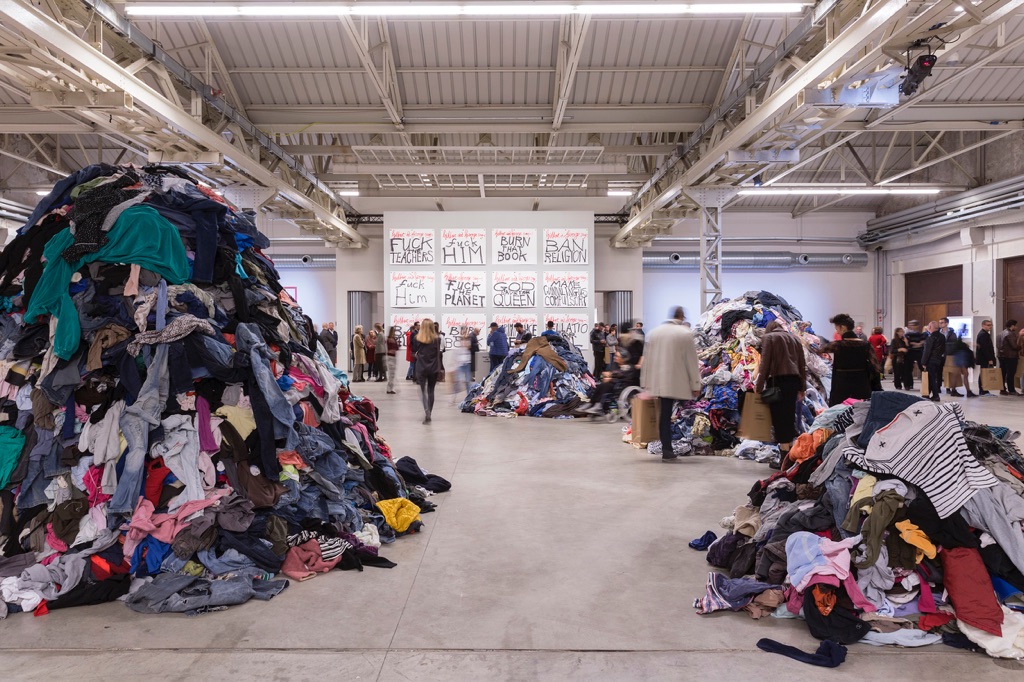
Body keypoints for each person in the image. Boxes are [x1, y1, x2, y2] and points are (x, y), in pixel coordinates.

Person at [640, 307, 700, 461]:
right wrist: (695, 385)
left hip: (659, 382)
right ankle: (677, 445)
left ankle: (667, 448)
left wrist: (645, 382)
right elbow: (692, 362)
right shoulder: (685, 334)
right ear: (681, 316)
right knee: (685, 412)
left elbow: (646, 360)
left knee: (665, 415)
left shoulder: (655, 333)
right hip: (678, 382)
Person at [755, 320, 807, 458]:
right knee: (788, 417)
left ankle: (784, 456)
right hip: (793, 382)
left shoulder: (769, 338)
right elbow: (802, 364)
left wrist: (759, 385)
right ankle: (790, 453)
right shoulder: (795, 339)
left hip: (777, 381)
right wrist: (802, 387)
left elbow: (764, 364)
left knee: (778, 419)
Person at [823, 313, 880, 406]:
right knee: (861, 413)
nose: (837, 331)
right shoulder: (866, 345)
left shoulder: (837, 345)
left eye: (837, 328)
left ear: (843, 328)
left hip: (841, 387)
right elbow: (875, 367)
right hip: (862, 386)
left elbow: (819, 350)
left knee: (840, 414)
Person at [412, 318, 443, 424]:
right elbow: (438, 354)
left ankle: (426, 411)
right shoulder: (437, 339)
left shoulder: (417, 338)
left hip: (421, 367)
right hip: (433, 368)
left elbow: (415, 353)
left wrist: (418, 356)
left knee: (422, 391)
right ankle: (429, 411)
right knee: (431, 391)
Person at [921, 320, 946, 402]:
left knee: (931, 378)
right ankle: (927, 394)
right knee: (933, 377)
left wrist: (923, 362)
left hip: (930, 360)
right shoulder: (942, 336)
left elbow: (927, 351)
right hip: (938, 360)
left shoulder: (930, 338)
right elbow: (943, 349)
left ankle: (935, 395)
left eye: (928, 325)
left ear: (930, 327)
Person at [450, 326, 472, 403]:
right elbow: (457, 351)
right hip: (460, 363)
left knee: (467, 381)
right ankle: (453, 397)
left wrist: (466, 339)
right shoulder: (459, 339)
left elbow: (468, 347)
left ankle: (469, 396)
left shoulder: (468, 339)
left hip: (466, 362)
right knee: (457, 381)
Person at [999, 319, 1020, 396]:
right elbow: (1014, 346)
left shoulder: (1001, 333)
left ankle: (1002, 389)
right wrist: (1020, 347)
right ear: (1012, 326)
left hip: (1001, 356)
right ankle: (1011, 390)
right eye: (1016, 326)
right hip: (1010, 356)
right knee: (1011, 373)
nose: (1016, 327)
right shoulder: (1010, 334)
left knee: (1003, 373)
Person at [975, 319, 996, 396]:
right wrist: (989, 359)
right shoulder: (983, 334)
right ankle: (983, 390)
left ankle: (984, 390)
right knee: (984, 373)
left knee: (984, 373)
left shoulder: (985, 334)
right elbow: (985, 348)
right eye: (988, 325)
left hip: (984, 358)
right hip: (984, 358)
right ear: (983, 325)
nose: (990, 326)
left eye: (991, 325)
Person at [385, 325, 400, 394]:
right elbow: (394, 348)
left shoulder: (392, 339)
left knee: (392, 374)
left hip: (393, 357)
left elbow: (396, 348)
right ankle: (389, 389)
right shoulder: (390, 339)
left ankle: (391, 388)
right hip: (390, 357)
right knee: (391, 373)